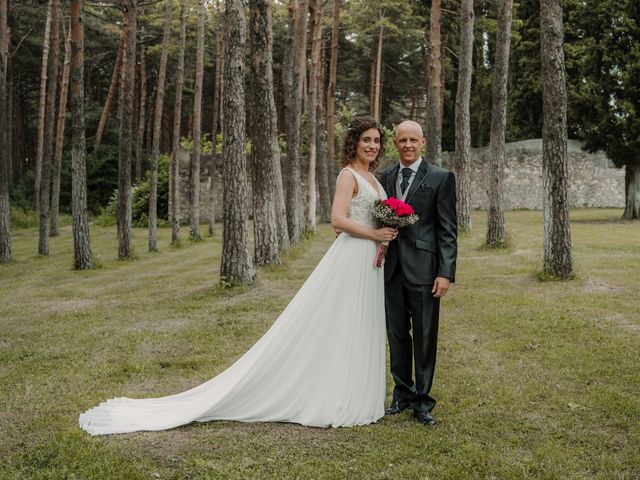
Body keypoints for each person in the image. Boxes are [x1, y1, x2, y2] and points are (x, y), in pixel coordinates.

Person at [78, 116, 397, 435]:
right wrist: (375, 234)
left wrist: (385, 233)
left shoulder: (373, 178)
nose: (372, 146)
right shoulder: (348, 175)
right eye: (366, 140)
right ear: (353, 142)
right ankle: (334, 396)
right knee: (340, 323)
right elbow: (338, 221)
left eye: (376, 141)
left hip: (369, 260)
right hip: (352, 256)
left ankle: (358, 393)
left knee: (360, 322)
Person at [378, 120, 457, 426]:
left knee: (424, 336)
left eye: (413, 139)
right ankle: (402, 393)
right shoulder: (385, 177)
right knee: (396, 334)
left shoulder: (440, 177)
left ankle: (423, 401)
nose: (408, 145)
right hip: (392, 269)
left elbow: (447, 229)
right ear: (394, 144)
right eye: (402, 140)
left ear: (423, 142)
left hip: (425, 271)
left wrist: (445, 272)